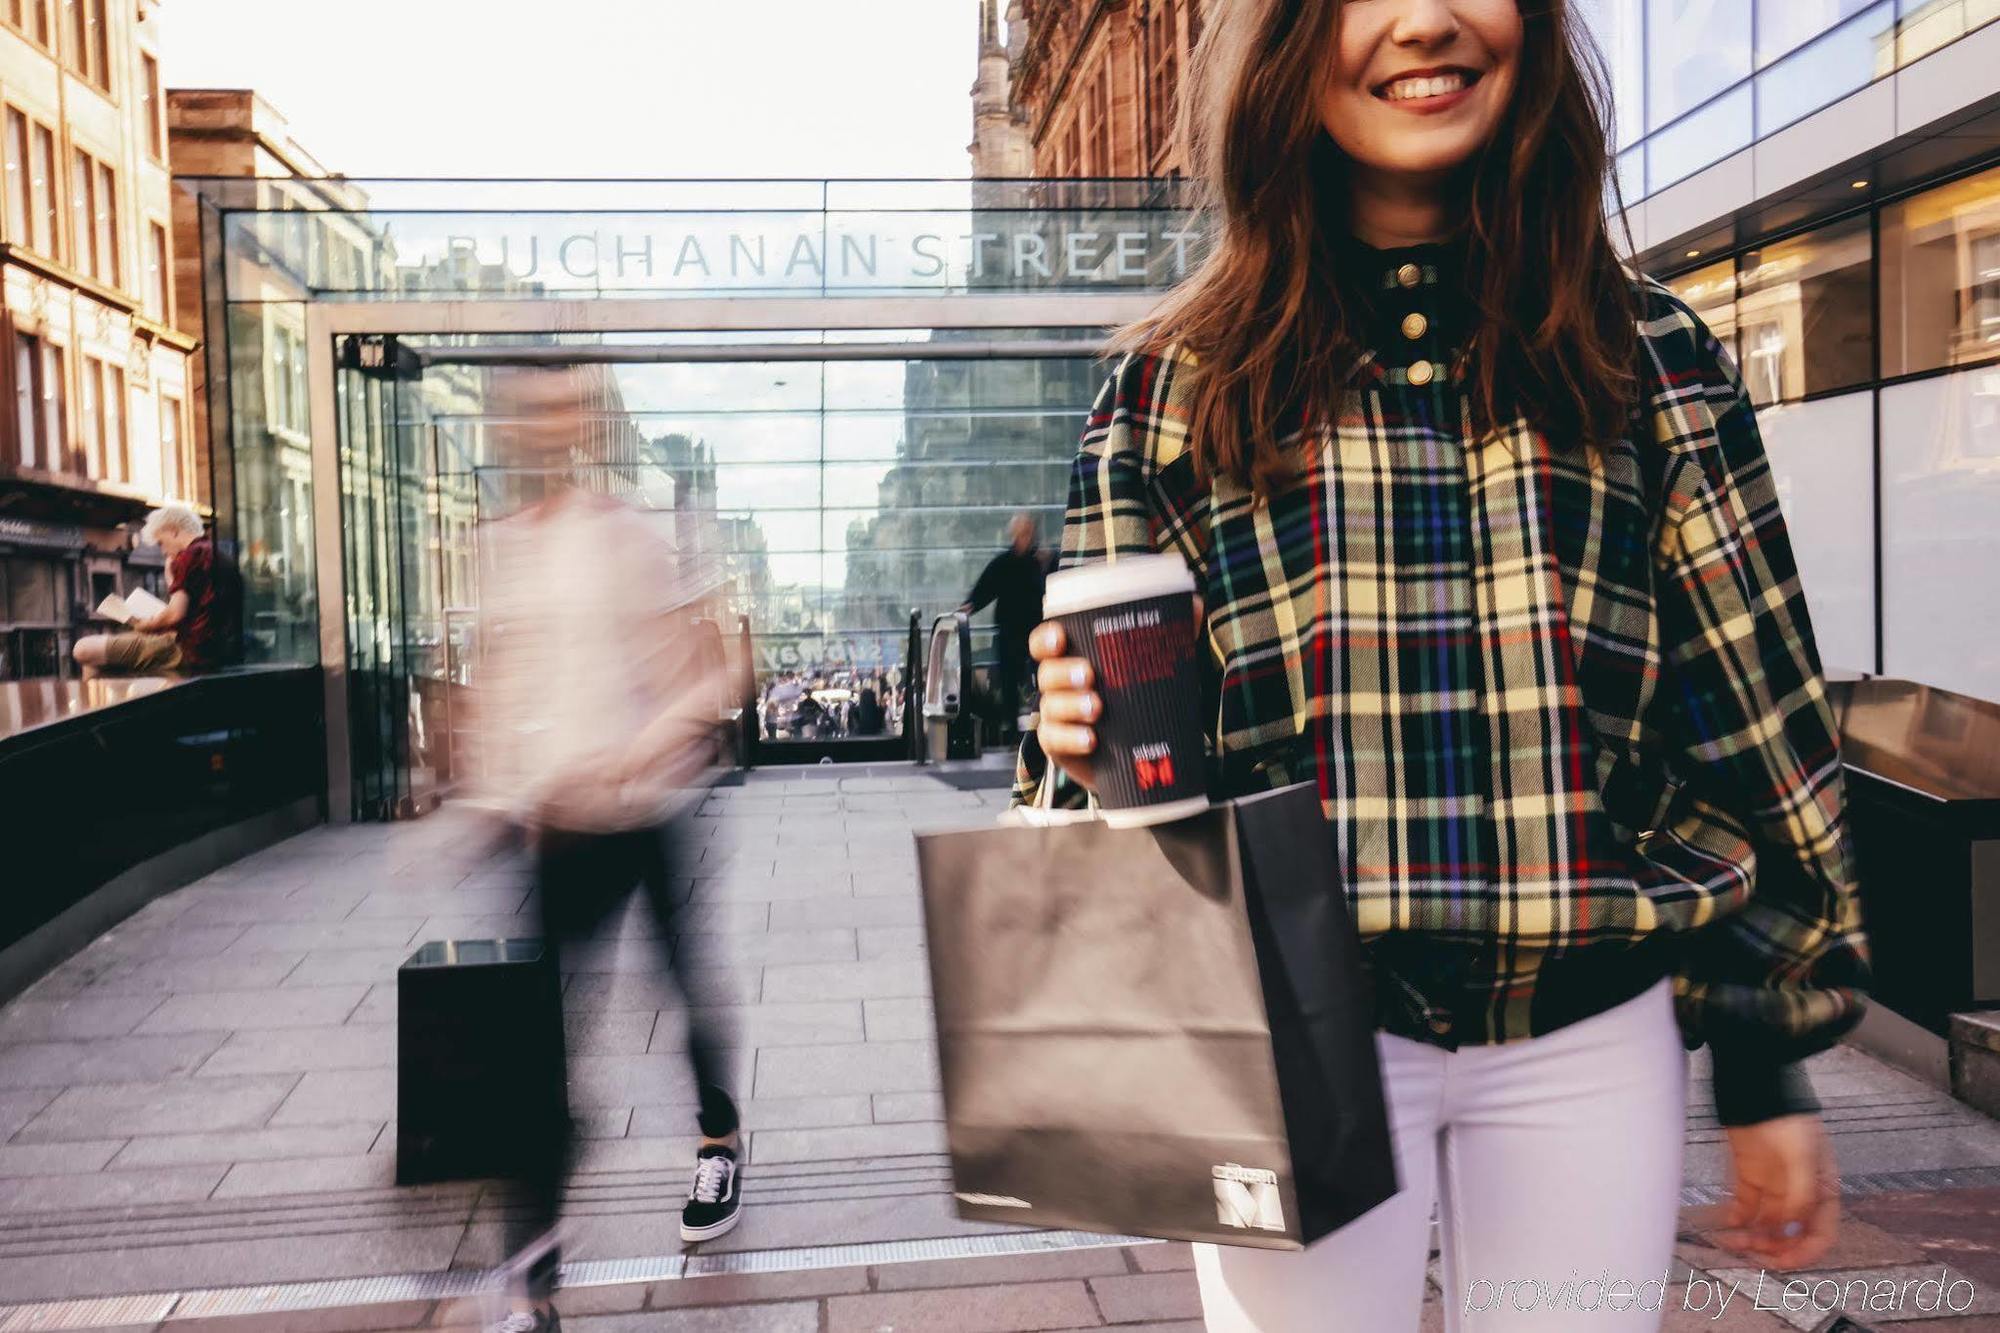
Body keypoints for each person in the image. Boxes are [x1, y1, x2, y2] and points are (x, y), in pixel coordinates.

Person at [1019, 2, 1871, 1329]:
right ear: (1290, 42)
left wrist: (1766, 1064)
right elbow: (1127, 807)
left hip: (1588, 1035)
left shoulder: (1652, 358)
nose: (1427, 20)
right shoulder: (1171, 385)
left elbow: (1754, 712)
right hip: (1286, 1042)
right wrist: (1079, 751)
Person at [469, 367, 743, 1333]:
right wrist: (492, 797)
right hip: (555, 826)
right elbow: (506, 681)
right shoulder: (501, 549)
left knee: (679, 983)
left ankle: (719, 1139)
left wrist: (636, 750)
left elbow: (713, 673)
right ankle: (533, 1271)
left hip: (649, 812)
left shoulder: (627, 537)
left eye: (553, 413)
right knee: (539, 1045)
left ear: (577, 429)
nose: (535, 430)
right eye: (523, 413)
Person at [73, 503, 241, 677]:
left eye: (161, 542)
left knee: (83, 649)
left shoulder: (189, 556)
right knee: (107, 658)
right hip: (216, 649)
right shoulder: (220, 556)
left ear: (174, 531)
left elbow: (175, 614)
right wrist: (172, 579)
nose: (162, 550)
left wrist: (146, 625)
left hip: (190, 649)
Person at [960, 511, 1052, 743]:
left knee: (1042, 677)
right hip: (1010, 632)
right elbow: (985, 588)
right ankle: (1012, 732)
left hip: (1036, 630)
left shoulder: (1041, 561)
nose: (1023, 537)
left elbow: (1050, 585)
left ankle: (1044, 723)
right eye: (1020, 533)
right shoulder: (1005, 562)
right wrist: (969, 606)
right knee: (1010, 682)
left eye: (1027, 532)